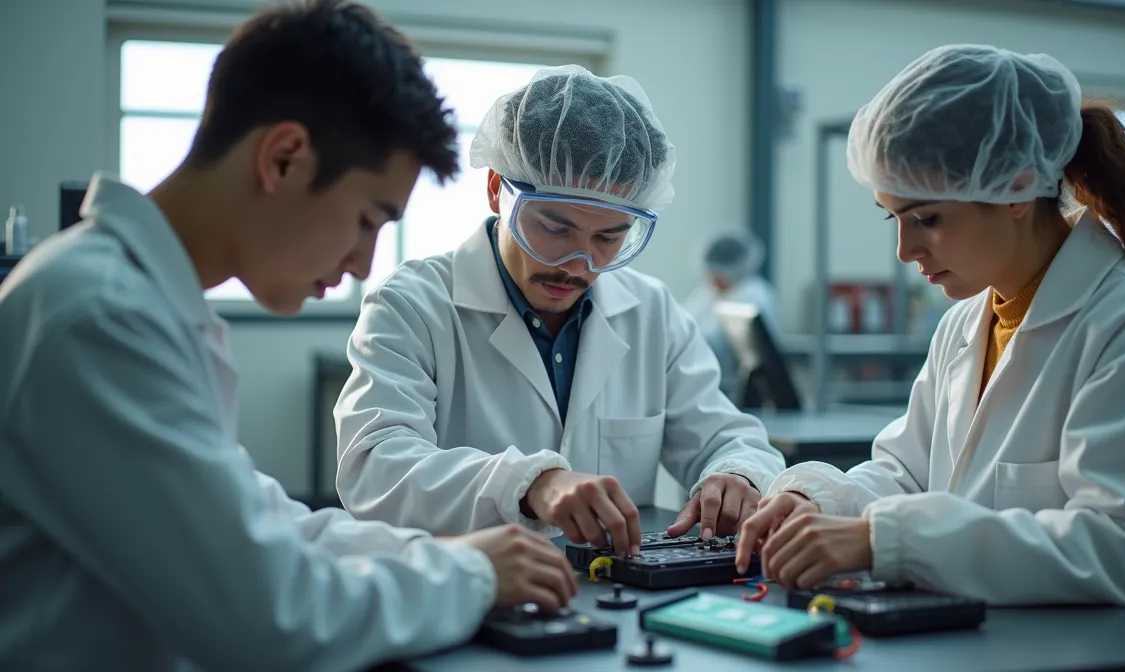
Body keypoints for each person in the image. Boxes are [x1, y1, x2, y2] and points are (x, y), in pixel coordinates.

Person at [0, 2, 577, 669]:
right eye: (368, 219)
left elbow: (268, 527)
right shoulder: (97, 316)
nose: (364, 263)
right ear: (284, 159)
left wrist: (455, 556)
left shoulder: (143, 305)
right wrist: (472, 577)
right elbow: (269, 614)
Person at [734, 44, 1125, 625]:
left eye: (929, 219)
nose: (905, 250)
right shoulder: (968, 320)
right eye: (893, 218)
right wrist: (817, 500)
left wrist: (883, 541)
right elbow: (907, 473)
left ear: (1017, 190)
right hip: (999, 632)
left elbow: (1123, 551)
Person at [334, 65, 786, 556]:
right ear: (496, 192)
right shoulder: (412, 304)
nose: (578, 262)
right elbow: (375, 466)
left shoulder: (651, 312)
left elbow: (726, 435)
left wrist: (737, 473)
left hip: (611, 600)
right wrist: (529, 485)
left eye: (609, 237)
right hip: (465, 593)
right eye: (554, 227)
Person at [682, 231, 778, 400]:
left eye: (717, 271)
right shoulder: (711, 293)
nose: (712, 277)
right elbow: (682, 320)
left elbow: (715, 341)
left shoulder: (752, 294)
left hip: (729, 386)